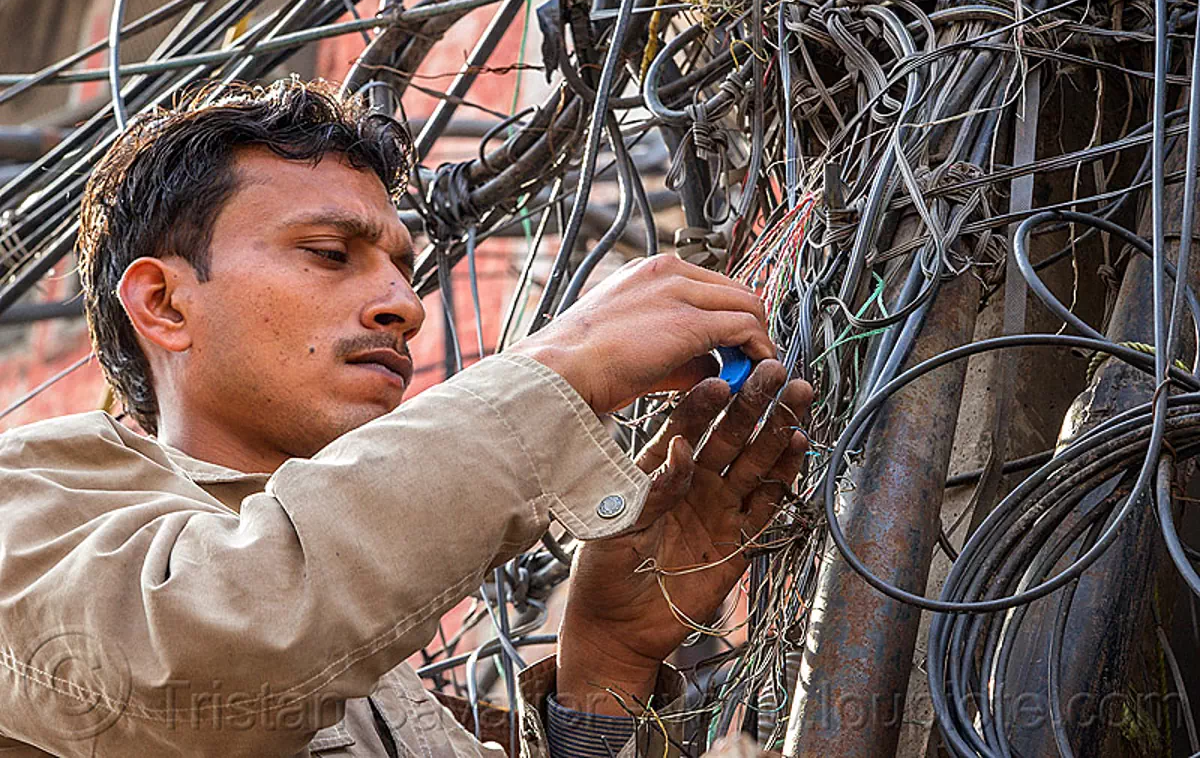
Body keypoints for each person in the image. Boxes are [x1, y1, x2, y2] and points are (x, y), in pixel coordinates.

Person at [0, 79, 811, 758]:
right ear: (164, 302)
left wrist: (605, 665)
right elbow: (189, 666)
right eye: (328, 253)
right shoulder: (30, 505)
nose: (403, 306)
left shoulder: (377, 683)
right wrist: (561, 365)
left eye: (402, 268)